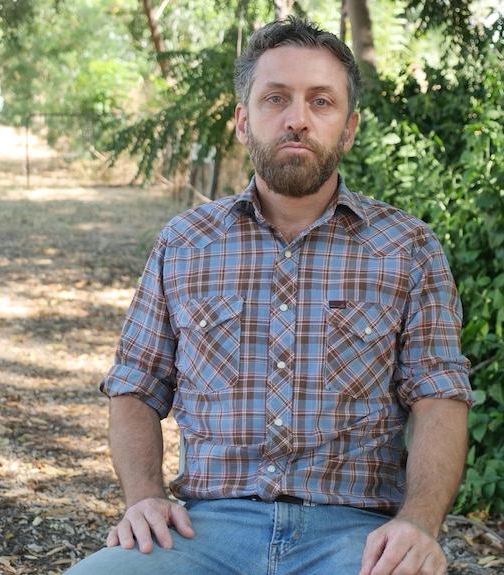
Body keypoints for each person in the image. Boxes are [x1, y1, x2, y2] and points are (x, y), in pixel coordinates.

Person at [66, 16, 473, 575]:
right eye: (275, 98)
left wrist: (418, 524)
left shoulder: (407, 248)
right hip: (203, 530)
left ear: (349, 129)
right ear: (242, 120)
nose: (297, 120)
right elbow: (135, 386)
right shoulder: (184, 244)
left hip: (356, 539)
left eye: (321, 102)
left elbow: (439, 398)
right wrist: (143, 499)